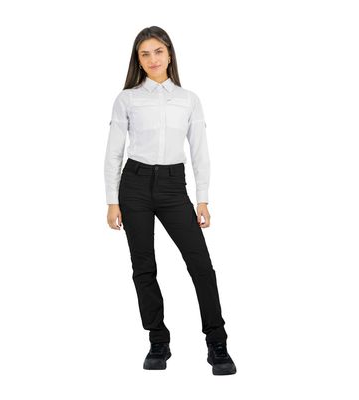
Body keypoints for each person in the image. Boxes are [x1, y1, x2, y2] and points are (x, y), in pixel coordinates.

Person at [104, 26, 237, 375]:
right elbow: (114, 151)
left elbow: (200, 151)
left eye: (158, 51)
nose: (152, 59)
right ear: (138, 60)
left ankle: (217, 341)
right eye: (145, 54)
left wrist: (202, 199)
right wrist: (112, 200)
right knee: (143, 266)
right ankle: (158, 339)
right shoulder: (127, 99)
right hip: (133, 186)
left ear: (169, 54)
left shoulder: (188, 99)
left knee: (200, 265)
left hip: (173, 186)